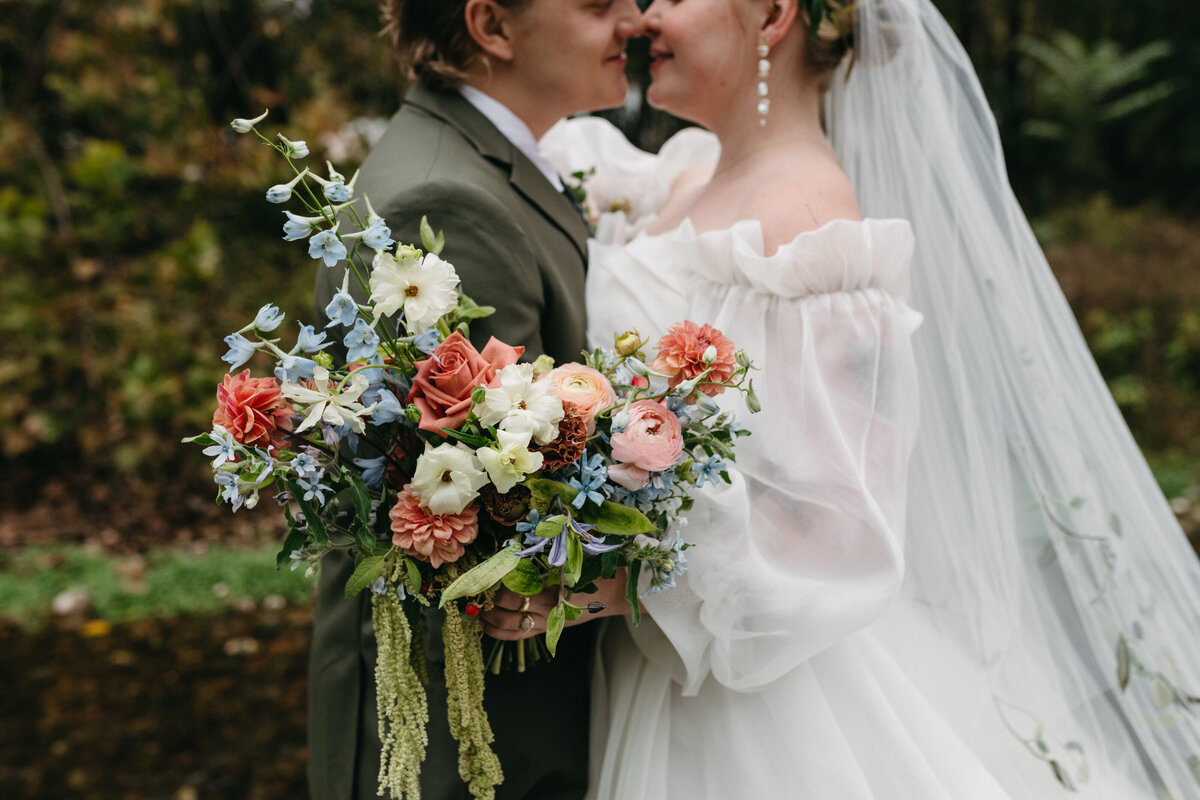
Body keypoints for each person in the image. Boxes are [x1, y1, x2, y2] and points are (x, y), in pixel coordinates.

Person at [535, 0, 1200, 796]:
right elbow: (576, 161)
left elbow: (843, 529)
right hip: (661, 673)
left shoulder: (811, 230)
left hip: (755, 708)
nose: (646, 16)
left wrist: (631, 578)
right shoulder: (690, 181)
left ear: (775, 14)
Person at [307, 2, 642, 798]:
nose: (632, 16)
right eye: (597, 3)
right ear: (491, 26)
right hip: (469, 732)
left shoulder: (479, 159)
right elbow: (493, 508)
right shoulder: (445, 199)